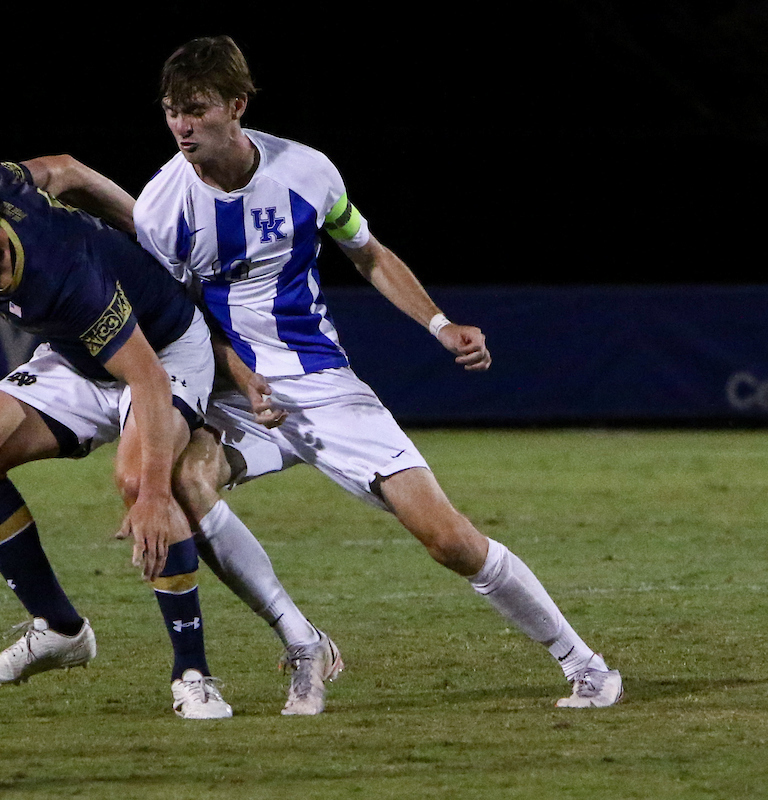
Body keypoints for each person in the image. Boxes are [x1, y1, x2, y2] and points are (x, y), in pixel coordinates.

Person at [128, 35, 622, 709]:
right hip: (235, 391)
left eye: (196, 108)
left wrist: (440, 325)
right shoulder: (162, 208)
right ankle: (303, 641)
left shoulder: (306, 173)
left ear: (237, 105)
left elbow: (370, 254)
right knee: (187, 479)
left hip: (322, 383)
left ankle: (585, 664)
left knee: (447, 540)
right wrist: (242, 378)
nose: (181, 125)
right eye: (170, 110)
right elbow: (178, 321)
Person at [0, 151, 233, 719]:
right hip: (80, 356)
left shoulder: (58, 271)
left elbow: (147, 377)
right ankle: (60, 629)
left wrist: (158, 494)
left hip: (163, 354)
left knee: (140, 483)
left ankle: (193, 673)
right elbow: (65, 169)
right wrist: (144, 226)